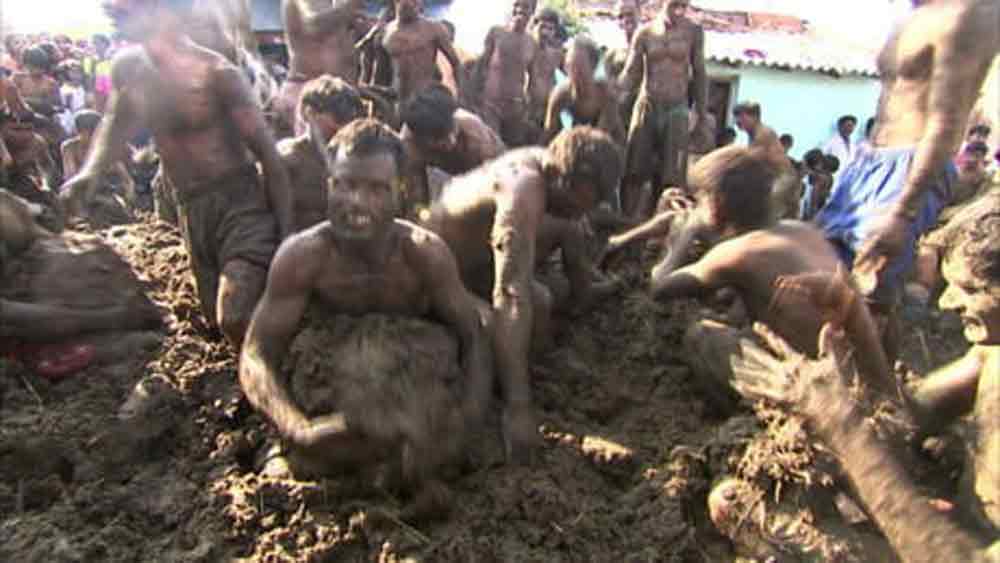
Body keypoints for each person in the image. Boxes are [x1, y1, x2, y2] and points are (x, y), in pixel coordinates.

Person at [239, 119, 492, 515]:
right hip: (333, 397)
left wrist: (469, 420)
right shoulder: (303, 257)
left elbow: (473, 337)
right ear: (329, 185)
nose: (356, 201)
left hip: (408, 394)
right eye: (346, 184)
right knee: (282, 479)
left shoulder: (424, 253)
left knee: (440, 451)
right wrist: (297, 429)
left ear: (401, 193)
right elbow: (255, 354)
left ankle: (386, 474)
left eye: (376, 189)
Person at [731, 194, 1000, 561]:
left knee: (741, 511)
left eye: (971, 290)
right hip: (959, 529)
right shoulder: (990, 357)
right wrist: (856, 321)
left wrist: (838, 422)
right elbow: (906, 420)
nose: (947, 303)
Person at [61, 0, 293, 348]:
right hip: (189, 208)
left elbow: (270, 159)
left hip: (240, 206)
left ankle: (272, 384)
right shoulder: (128, 68)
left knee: (235, 314)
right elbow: (116, 121)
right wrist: (90, 172)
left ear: (161, 13)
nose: (115, 20)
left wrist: (288, 241)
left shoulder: (217, 73)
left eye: (124, 13)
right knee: (216, 324)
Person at [421, 126, 624, 462]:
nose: (581, 213)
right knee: (498, 321)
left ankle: (536, 368)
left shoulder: (551, 165)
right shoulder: (524, 186)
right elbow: (510, 291)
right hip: (438, 273)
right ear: (562, 179)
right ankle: (491, 411)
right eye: (576, 204)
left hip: (477, 262)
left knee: (545, 291)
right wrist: (519, 408)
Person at [647, 146, 892, 410]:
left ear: (716, 204)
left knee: (701, 336)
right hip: (861, 368)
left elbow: (659, 286)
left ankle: (753, 414)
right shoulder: (799, 229)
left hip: (825, 388)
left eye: (700, 199)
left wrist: (685, 232)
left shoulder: (738, 253)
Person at [816, 0, 999, 318]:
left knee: (866, 301)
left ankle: (873, 367)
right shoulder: (912, 16)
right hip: (866, 161)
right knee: (818, 275)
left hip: (909, 167)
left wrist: (903, 213)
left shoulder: (969, 12)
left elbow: (947, 122)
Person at [619, 0, 708, 218]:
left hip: (677, 108)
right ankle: (627, 223)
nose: (679, 10)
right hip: (647, 105)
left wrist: (701, 113)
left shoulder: (693, 32)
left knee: (671, 178)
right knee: (634, 172)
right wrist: (611, 98)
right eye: (674, 5)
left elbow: (699, 72)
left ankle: (660, 231)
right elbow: (631, 73)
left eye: (683, 6)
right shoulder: (645, 33)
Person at [398, 85, 505, 216]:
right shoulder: (409, 145)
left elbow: (498, 188)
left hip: (493, 168)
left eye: (452, 130)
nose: (451, 141)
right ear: (421, 138)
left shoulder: (477, 139)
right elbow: (413, 196)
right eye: (439, 137)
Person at [277, 75, 364, 232]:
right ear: (308, 113)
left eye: (348, 121)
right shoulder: (287, 159)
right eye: (337, 119)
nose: (341, 131)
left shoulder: (354, 159)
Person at [277, 0, 362, 137]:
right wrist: (345, 11)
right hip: (303, 92)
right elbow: (312, 27)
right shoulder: (294, 3)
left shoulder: (339, 4)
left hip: (341, 95)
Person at [476, 0, 540, 147]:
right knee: (491, 147)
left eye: (525, 6)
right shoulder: (496, 33)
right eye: (516, 5)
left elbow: (533, 80)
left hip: (515, 107)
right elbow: (481, 65)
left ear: (532, 12)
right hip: (491, 104)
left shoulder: (531, 43)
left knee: (513, 149)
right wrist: (474, 97)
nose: (519, 9)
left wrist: (531, 110)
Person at [543, 36, 626, 145]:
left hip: (610, 141)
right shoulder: (561, 94)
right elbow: (549, 131)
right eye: (571, 66)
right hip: (579, 137)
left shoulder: (605, 93)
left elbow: (601, 135)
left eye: (580, 67)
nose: (575, 73)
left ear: (593, 67)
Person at [382, 0, 464, 108]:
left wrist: (461, 98)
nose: (413, 4)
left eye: (417, 1)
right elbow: (380, 71)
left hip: (426, 99)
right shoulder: (387, 32)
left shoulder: (434, 29)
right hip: (398, 100)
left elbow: (456, 63)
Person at [732, 102, 799, 220]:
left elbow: (751, 161)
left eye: (741, 116)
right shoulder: (754, 134)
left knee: (768, 218)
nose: (737, 120)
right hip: (774, 178)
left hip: (782, 178)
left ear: (755, 117)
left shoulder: (763, 133)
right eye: (736, 116)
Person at [527, 8, 564, 129]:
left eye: (550, 29)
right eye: (542, 27)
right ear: (534, 26)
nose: (545, 32)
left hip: (549, 111)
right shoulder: (525, 50)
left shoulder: (557, 54)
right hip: (527, 110)